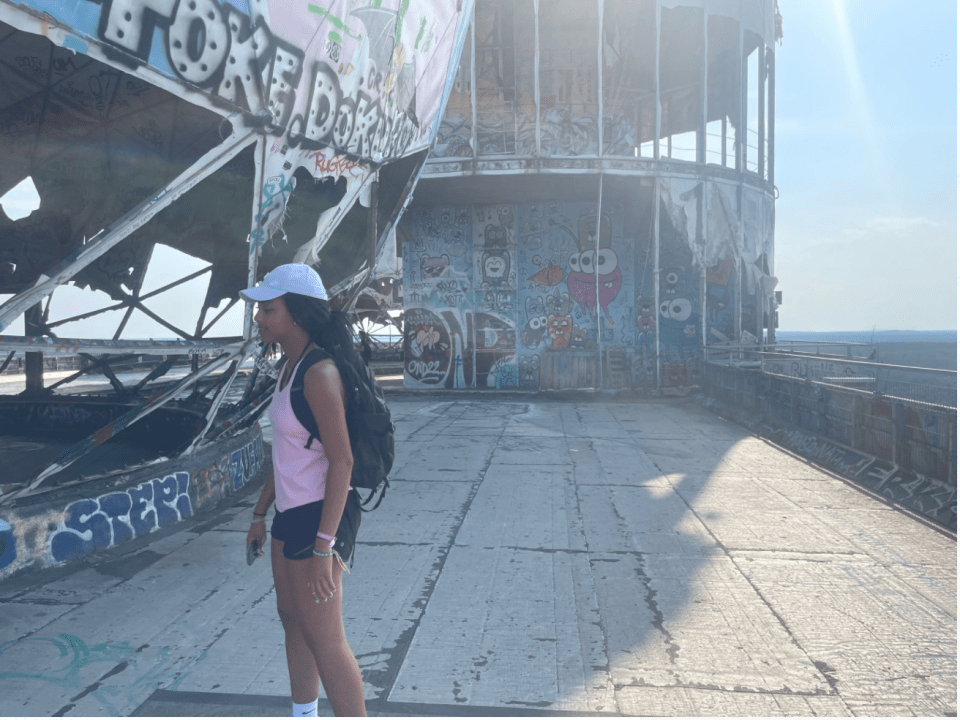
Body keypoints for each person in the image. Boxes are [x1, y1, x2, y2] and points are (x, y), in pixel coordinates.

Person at [241, 263, 366, 718]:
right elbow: (287, 453)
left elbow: (343, 461)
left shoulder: (320, 373)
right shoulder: (288, 369)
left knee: (326, 639)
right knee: (293, 623)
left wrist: (323, 547)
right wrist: (259, 514)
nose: (259, 318)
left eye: (267, 310)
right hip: (289, 516)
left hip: (319, 517)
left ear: (294, 313)